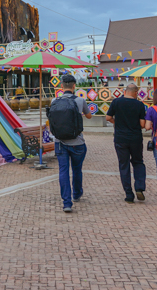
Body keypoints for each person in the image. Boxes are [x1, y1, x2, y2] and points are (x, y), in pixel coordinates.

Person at [48, 73, 92, 213]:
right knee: (77, 169)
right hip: (77, 142)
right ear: (74, 86)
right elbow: (89, 116)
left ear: (61, 86)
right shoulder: (80, 100)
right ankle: (77, 194)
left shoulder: (55, 100)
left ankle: (66, 203)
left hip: (60, 142)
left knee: (63, 171)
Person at [106, 83, 146, 203]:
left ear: (125, 91)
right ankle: (139, 187)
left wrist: (117, 123)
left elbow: (108, 117)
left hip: (120, 138)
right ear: (136, 93)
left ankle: (129, 194)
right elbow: (143, 124)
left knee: (124, 165)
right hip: (135, 138)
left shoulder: (116, 102)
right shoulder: (139, 104)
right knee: (138, 162)